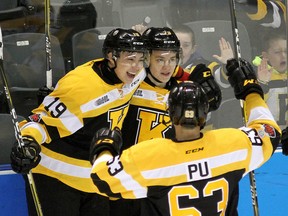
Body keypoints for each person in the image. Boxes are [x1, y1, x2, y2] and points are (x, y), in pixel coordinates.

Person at [89, 58, 281, 215]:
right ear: (205, 114)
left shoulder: (148, 157)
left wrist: (105, 147)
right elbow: (270, 132)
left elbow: (102, 179)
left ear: (171, 114)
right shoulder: (233, 144)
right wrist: (251, 90)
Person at [10, 28, 147, 216]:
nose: (137, 66)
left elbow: (163, 60)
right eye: (130, 60)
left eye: (141, 60)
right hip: (55, 178)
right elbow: (39, 123)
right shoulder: (81, 86)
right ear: (110, 56)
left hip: (94, 177)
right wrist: (27, 144)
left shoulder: (135, 75)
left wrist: (143, 31)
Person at [109, 27, 221, 216]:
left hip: (166, 181)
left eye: (171, 60)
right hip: (129, 181)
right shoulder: (127, 86)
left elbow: (214, 102)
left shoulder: (183, 91)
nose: (166, 67)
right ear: (146, 59)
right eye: (160, 60)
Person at [253, 31, 287, 130]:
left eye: (286, 51)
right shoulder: (257, 75)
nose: (283, 56)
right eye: (277, 52)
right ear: (265, 56)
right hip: (268, 137)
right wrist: (262, 83)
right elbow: (252, 106)